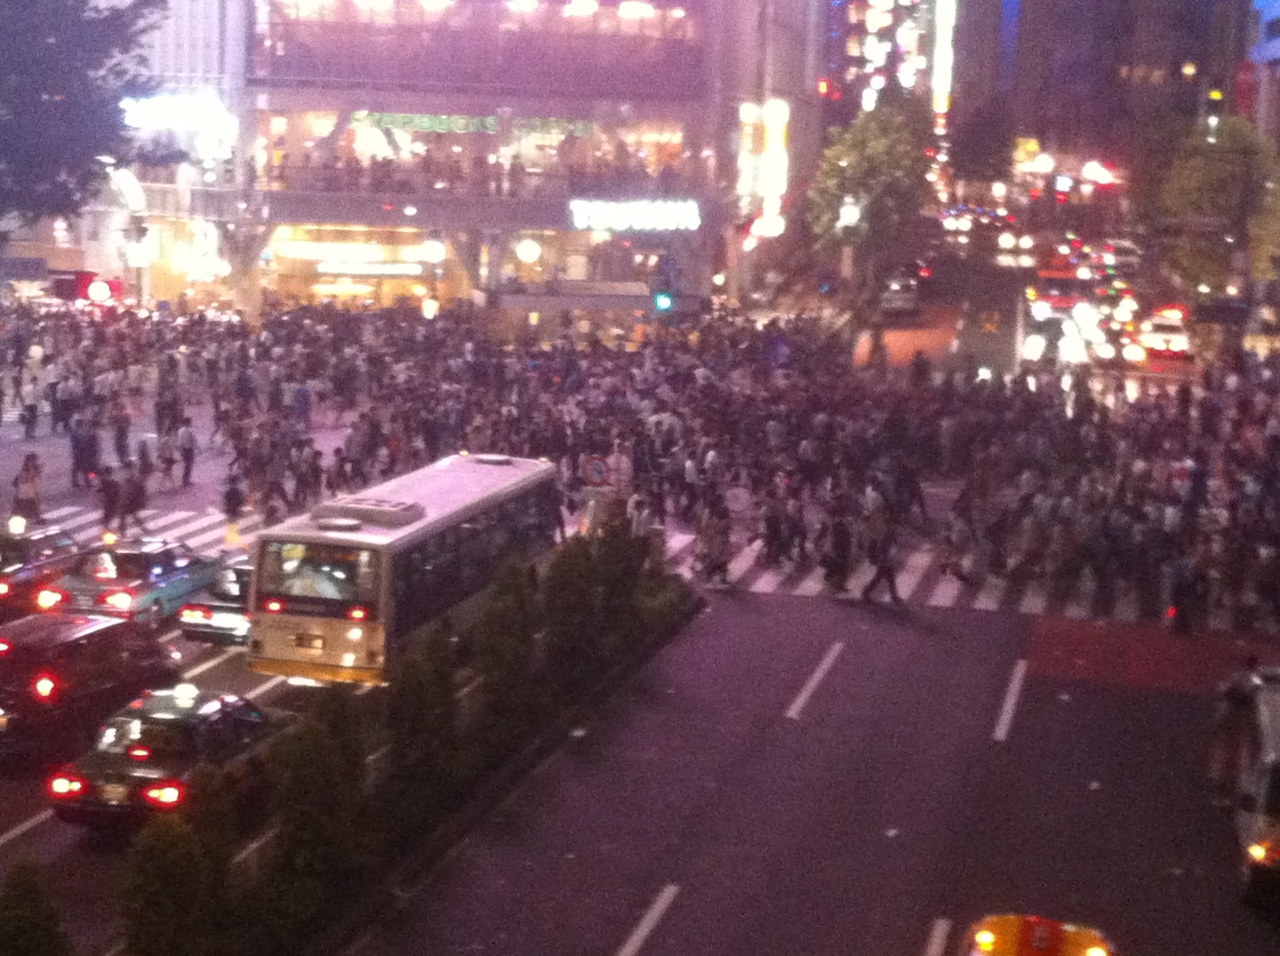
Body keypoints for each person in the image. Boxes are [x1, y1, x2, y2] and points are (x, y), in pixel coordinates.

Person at [1208, 655, 1265, 807]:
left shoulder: (1237, 679)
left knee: (1229, 755)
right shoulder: (1253, 681)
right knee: (1237, 755)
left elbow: (1222, 693)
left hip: (1235, 721)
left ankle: (1226, 791)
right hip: (1240, 721)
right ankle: (1236, 791)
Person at [862, 523, 903, 604]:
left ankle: (894, 596)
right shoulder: (887, 538)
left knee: (888, 580)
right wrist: (883, 560)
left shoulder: (890, 538)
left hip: (887, 562)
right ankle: (866, 593)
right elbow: (883, 550)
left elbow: (890, 550)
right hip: (885, 562)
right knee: (881, 579)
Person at [118, 462, 148, 535]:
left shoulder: (128, 477)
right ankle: (143, 528)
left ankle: (122, 531)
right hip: (128, 500)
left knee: (125, 517)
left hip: (127, 500)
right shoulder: (130, 477)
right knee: (130, 516)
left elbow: (127, 489)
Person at [12, 453, 42, 522]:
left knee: (34, 501)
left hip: (31, 488)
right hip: (25, 489)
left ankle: (36, 517)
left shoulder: (35, 469)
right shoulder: (25, 470)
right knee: (23, 502)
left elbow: (34, 479)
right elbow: (24, 479)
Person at [98, 465, 121, 533]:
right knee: (109, 516)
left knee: (109, 516)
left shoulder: (107, 482)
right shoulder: (112, 483)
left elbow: (101, 490)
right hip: (111, 502)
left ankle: (108, 528)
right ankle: (108, 528)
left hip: (111, 502)